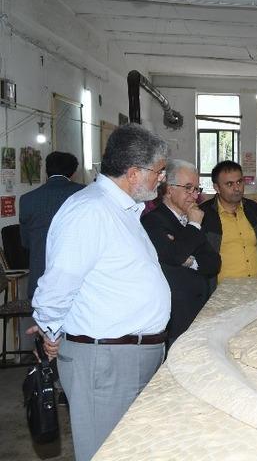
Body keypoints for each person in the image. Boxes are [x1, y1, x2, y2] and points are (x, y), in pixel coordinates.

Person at [27, 123, 171, 461]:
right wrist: (50, 332)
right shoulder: (89, 210)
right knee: (104, 452)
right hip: (104, 361)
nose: (161, 179)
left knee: (134, 451)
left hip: (131, 355)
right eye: (159, 171)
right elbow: (57, 285)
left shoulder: (123, 211)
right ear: (134, 173)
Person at [141, 160, 221, 347]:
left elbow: (213, 263)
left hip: (198, 312)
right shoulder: (153, 221)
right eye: (188, 188)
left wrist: (190, 261)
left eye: (197, 189)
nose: (194, 195)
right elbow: (174, 256)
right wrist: (193, 226)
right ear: (169, 190)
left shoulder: (194, 217)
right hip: (174, 317)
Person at [19, 151, 84, 300]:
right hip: (78, 279)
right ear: (73, 172)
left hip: (40, 277)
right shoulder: (84, 193)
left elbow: (26, 242)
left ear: (46, 170)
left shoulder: (27, 199)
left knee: (42, 323)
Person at [199, 160, 257, 286]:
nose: (237, 188)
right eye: (229, 184)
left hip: (256, 287)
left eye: (239, 182)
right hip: (223, 293)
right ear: (216, 187)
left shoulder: (253, 209)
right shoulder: (203, 215)